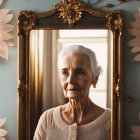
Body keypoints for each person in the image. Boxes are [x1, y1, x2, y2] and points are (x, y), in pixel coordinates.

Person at [34, 45, 111, 140]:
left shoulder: (111, 120)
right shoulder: (47, 119)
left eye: (79, 72)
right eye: (65, 72)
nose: (70, 80)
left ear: (95, 78)